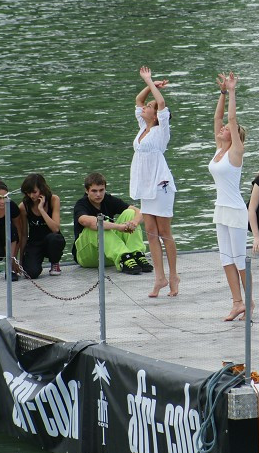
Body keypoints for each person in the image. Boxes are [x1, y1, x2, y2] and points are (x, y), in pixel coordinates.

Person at [131, 66, 179, 298]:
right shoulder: (143, 127)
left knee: (164, 231)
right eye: (148, 107)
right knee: (150, 232)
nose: (146, 107)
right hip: (145, 185)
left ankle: (174, 275)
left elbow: (160, 105)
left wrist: (151, 82)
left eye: (150, 108)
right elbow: (139, 99)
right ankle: (159, 277)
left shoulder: (161, 131)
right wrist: (150, 86)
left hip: (161, 185)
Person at [211, 72, 250, 321]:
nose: (223, 127)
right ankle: (237, 303)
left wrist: (234, 91)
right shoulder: (218, 150)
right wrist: (223, 93)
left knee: (239, 260)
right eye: (223, 128)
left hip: (236, 210)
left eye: (227, 129)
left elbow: (231, 119)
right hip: (221, 209)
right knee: (226, 259)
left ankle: (250, 300)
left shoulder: (236, 152)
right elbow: (218, 116)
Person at [72, 172, 146, 275]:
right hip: (87, 257)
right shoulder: (81, 204)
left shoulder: (108, 199)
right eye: (94, 191)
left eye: (101, 190)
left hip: (108, 255)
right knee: (97, 225)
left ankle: (136, 254)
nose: (98, 194)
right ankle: (123, 257)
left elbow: (140, 212)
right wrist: (119, 227)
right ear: (86, 191)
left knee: (130, 213)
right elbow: (85, 221)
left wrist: (134, 222)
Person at [18, 174, 65, 279]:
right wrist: (21, 260)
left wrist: (41, 210)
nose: (31, 196)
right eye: (28, 193)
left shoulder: (53, 199)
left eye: (34, 192)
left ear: (42, 189)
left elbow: (56, 228)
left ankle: (55, 263)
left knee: (55, 238)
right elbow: (24, 234)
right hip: (35, 242)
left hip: (51, 239)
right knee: (31, 273)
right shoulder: (23, 206)